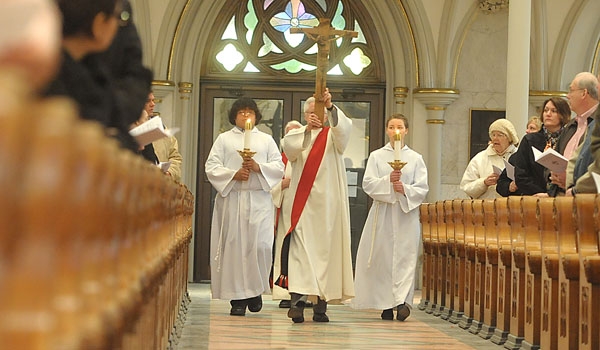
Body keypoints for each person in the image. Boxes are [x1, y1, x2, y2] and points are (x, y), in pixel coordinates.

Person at [275, 89, 355, 323]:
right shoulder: (298, 134)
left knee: (326, 254)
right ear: (304, 114)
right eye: (310, 112)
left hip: (329, 206)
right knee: (300, 252)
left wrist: (331, 108)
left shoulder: (333, 135)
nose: (314, 115)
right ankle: (298, 302)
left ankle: (321, 305)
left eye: (318, 111)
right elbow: (289, 150)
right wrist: (307, 130)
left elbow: (344, 132)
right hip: (303, 205)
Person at [205, 97, 284, 316]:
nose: (246, 116)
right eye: (241, 112)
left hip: (259, 199)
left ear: (256, 116)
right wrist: (233, 175)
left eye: (250, 112)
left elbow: (279, 167)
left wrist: (258, 167)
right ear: (234, 116)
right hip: (233, 200)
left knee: (260, 246)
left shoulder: (266, 140)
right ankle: (237, 298)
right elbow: (211, 167)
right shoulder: (224, 139)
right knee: (234, 248)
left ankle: (255, 290)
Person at [351, 114, 428, 321]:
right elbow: (368, 183)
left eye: (400, 127)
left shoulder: (415, 158)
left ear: (406, 131)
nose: (396, 130)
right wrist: (388, 180)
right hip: (383, 212)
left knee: (405, 257)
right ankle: (385, 303)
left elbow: (422, 188)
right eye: (392, 127)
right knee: (383, 258)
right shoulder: (377, 156)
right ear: (387, 130)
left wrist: (404, 188)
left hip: (405, 214)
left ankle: (402, 302)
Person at [44, 0, 141, 153]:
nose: (118, 27)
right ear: (99, 24)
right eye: (118, 18)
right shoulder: (59, 79)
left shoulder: (83, 68)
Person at [496, 97, 571, 196]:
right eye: (545, 110)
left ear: (562, 115)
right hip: (535, 197)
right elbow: (521, 175)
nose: (548, 114)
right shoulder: (530, 140)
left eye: (554, 111)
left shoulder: (570, 138)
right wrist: (543, 193)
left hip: (563, 195)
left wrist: (552, 194)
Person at [271, 120, 303, 309]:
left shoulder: (308, 158)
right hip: (286, 211)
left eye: (296, 133)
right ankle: (284, 291)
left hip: (307, 211)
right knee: (285, 249)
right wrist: (281, 185)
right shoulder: (279, 160)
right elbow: (267, 184)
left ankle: (305, 293)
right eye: (289, 133)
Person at [460, 118, 519, 199]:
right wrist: (484, 183)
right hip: (485, 208)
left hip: (512, 207)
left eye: (500, 135)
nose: (495, 138)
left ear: (509, 138)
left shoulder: (519, 156)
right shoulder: (480, 158)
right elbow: (466, 187)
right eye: (493, 135)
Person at [145, 91, 184, 182]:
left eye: (153, 100)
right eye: (148, 101)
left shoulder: (162, 129)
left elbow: (175, 157)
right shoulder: (130, 128)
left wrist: (169, 172)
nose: (153, 104)